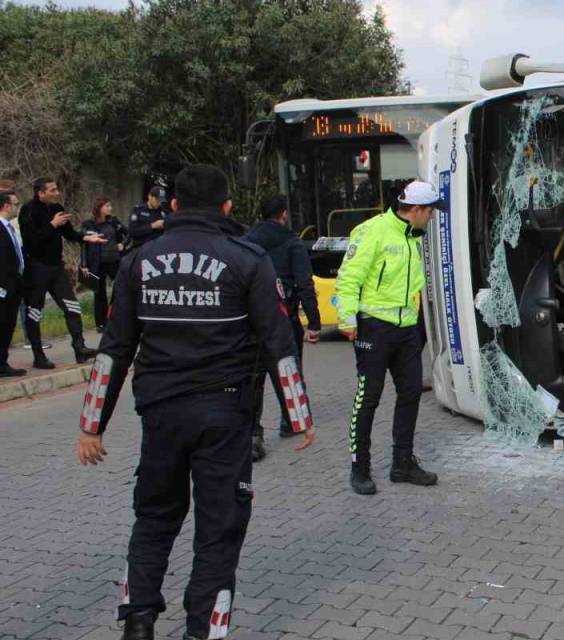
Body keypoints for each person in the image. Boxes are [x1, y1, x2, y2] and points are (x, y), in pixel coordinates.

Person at [76, 164, 317, 640]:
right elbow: (278, 345)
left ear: (172, 207)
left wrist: (91, 425)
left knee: (154, 517)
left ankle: (138, 620)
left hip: (161, 416)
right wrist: (299, 415)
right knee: (219, 529)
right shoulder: (247, 259)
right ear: (227, 207)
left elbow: (113, 350)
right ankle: (203, 631)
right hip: (225, 416)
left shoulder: (138, 262)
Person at [336, 180, 439, 495]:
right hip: (374, 328)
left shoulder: (412, 236)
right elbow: (349, 276)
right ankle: (360, 468)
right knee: (368, 398)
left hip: (407, 329)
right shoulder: (372, 231)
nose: (433, 216)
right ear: (417, 210)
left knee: (410, 393)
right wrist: (347, 318)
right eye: (431, 211)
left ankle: (402, 464)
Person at [244, 194, 321, 462]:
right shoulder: (292, 243)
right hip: (283, 316)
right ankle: (293, 420)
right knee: (289, 368)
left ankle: (253, 435)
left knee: (254, 378)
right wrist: (314, 322)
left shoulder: (246, 242)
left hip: (251, 319)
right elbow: (304, 283)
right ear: (284, 214)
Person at [18, 178, 106, 368]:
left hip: (56, 268)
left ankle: (80, 348)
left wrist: (86, 237)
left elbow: (70, 233)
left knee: (72, 306)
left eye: (57, 189)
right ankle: (39, 356)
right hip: (37, 268)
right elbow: (32, 241)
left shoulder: (57, 208)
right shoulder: (28, 210)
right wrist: (52, 224)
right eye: (53, 190)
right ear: (41, 193)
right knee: (34, 312)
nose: (57, 192)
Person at [81, 197, 128, 332]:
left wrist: (122, 245)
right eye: (107, 206)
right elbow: (83, 244)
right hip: (97, 262)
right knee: (99, 293)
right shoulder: (88, 224)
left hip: (114, 260)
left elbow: (129, 234)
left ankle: (116, 317)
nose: (110, 208)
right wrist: (84, 264)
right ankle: (101, 323)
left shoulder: (114, 222)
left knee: (120, 287)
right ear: (100, 207)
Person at [0, 190, 26, 377]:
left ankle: (2, 362)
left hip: (14, 284)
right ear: (6, 205)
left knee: (8, 324)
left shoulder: (10, 228)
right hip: (2, 287)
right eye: (15, 204)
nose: (18, 207)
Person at [127, 186, 167, 250]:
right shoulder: (138, 210)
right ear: (149, 196)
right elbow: (132, 231)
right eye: (157, 200)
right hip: (140, 248)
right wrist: (152, 226)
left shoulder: (162, 212)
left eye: (161, 200)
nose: (159, 203)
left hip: (157, 249)